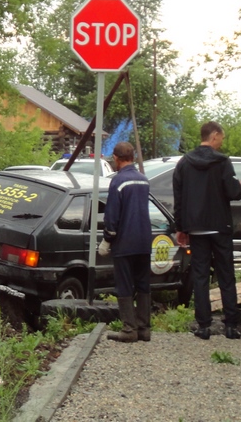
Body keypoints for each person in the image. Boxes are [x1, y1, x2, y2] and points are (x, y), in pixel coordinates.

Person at [172, 121, 241, 340]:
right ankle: (231, 326)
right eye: (221, 137)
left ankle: (204, 326)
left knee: (200, 276)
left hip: (196, 228)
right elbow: (233, 192)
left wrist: (180, 228)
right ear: (214, 136)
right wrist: (240, 188)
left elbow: (179, 198)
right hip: (220, 226)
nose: (222, 141)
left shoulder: (184, 163)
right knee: (226, 275)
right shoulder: (223, 162)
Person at [100, 141, 154, 343]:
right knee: (143, 283)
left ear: (116, 158)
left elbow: (112, 215)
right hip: (144, 240)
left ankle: (129, 329)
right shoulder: (144, 180)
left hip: (125, 241)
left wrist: (107, 239)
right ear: (133, 157)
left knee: (124, 284)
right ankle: (144, 328)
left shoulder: (118, 181)